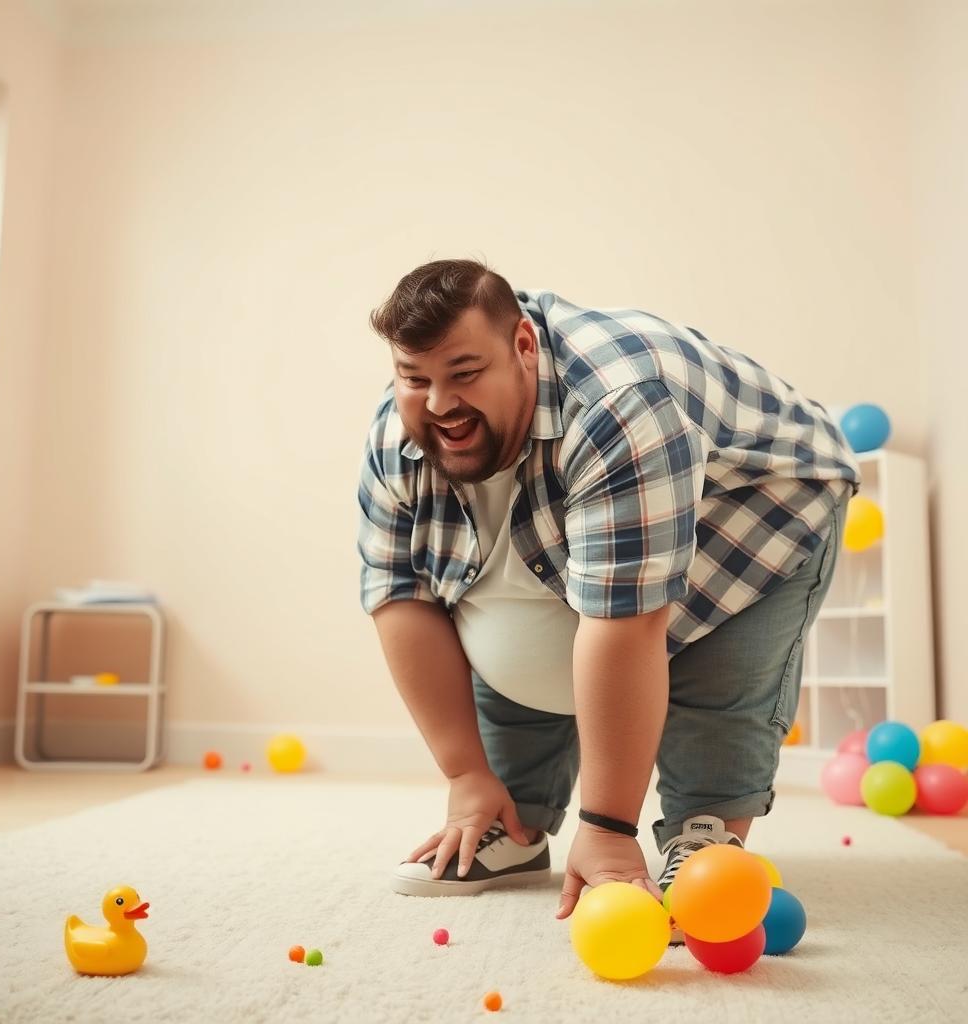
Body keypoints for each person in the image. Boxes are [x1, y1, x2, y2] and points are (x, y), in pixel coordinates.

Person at [357, 258, 859, 925]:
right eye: (415, 378)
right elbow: (401, 596)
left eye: (465, 374)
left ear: (524, 350)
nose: (440, 403)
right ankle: (511, 816)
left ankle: (702, 835)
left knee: (714, 682)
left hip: (757, 510)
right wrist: (466, 777)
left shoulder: (619, 402)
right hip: (584, 532)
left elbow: (626, 624)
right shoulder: (398, 433)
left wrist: (607, 825)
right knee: (523, 639)